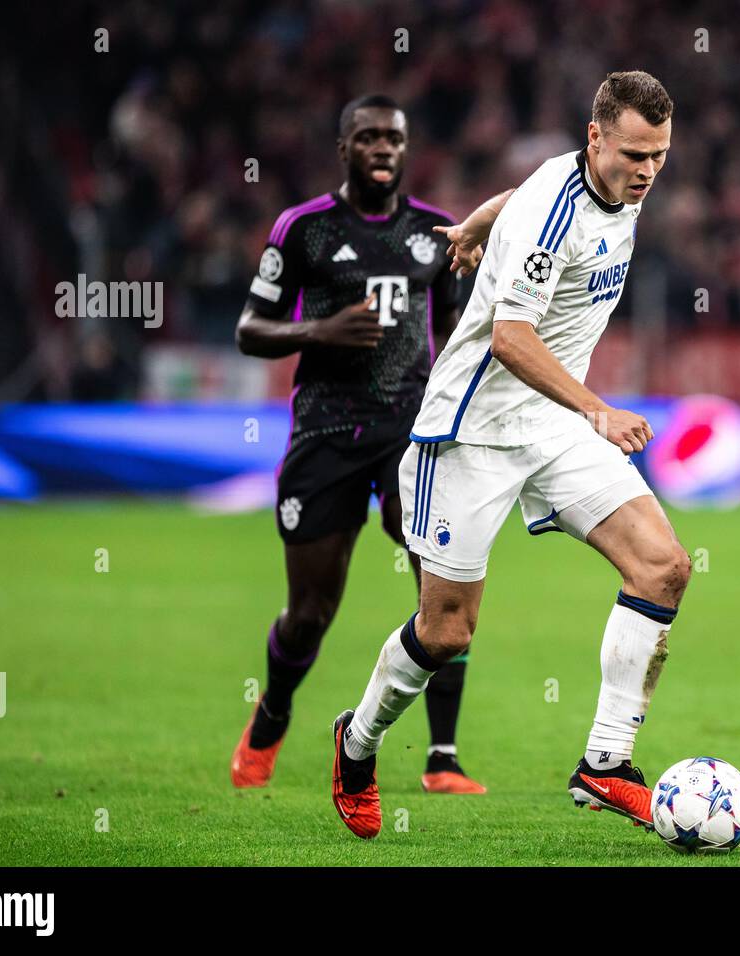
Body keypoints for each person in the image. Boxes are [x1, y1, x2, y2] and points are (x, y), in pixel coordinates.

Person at [328, 71, 689, 840]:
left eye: (659, 154)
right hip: (471, 432)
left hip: (552, 426)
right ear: (597, 139)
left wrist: (472, 227)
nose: (649, 170)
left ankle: (605, 764)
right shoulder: (560, 211)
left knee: (663, 567)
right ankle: (356, 746)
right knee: (449, 631)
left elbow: (517, 194)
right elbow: (510, 337)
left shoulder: (604, 180)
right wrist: (597, 408)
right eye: (635, 154)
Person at [230, 94, 496, 796]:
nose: (383, 148)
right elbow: (250, 329)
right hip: (324, 431)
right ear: (343, 148)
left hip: (410, 434)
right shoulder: (304, 230)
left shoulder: (440, 232)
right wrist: (317, 332)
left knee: (442, 591)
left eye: (394, 139)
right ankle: (274, 713)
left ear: (407, 150)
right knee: (311, 611)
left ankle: (442, 756)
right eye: (369, 137)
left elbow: (455, 333)